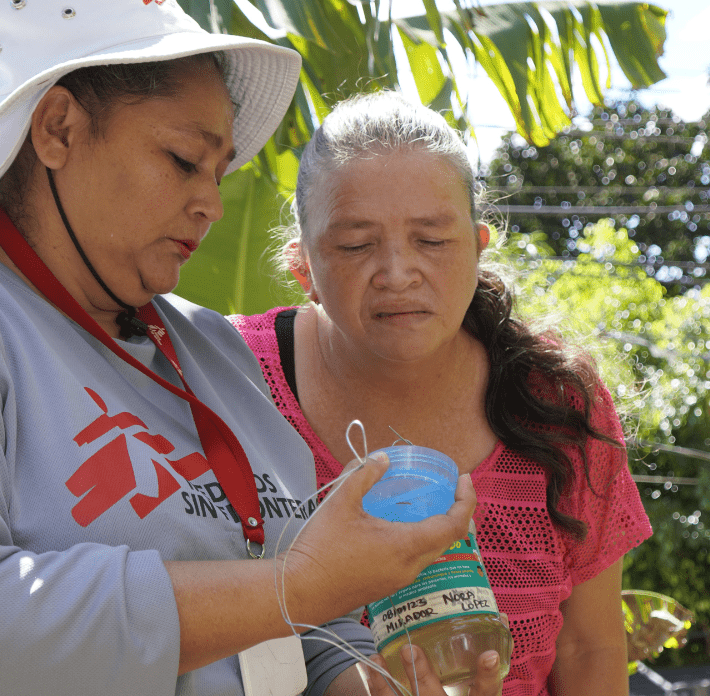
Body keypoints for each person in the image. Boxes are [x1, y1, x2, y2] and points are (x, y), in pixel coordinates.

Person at [0, 0, 500, 696]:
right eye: (185, 160)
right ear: (58, 129)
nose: (211, 204)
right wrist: (297, 586)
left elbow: (298, 635)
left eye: (220, 172)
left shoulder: (210, 351)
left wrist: (381, 683)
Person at [228, 91, 655, 696]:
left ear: (479, 248)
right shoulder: (232, 379)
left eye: (431, 240)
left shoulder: (556, 402)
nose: (398, 273)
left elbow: (591, 648)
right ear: (304, 268)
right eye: (355, 245)